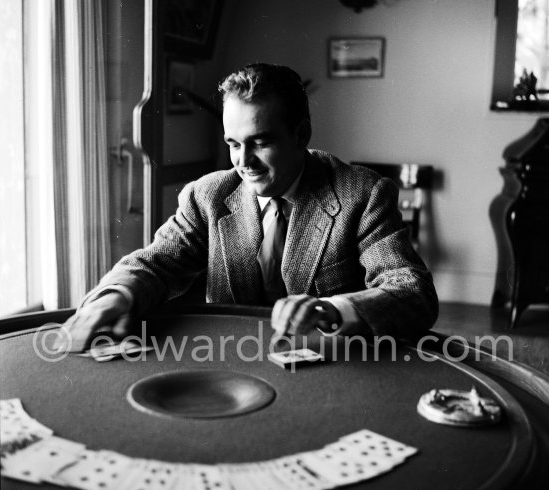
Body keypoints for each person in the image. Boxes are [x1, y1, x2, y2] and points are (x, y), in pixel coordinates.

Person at [56, 63, 438, 352]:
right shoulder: (207, 196)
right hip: (225, 362)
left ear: (301, 134)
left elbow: (411, 293)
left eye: (260, 142)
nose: (244, 162)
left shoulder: (363, 194)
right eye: (234, 143)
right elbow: (155, 263)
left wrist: (332, 310)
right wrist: (116, 295)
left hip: (331, 368)